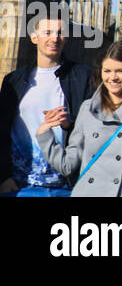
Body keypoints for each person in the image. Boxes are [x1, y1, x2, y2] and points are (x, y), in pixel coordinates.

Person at [36, 41, 122, 197]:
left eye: (121, 71)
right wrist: (44, 135)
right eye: (107, 71)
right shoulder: (88, 108)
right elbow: (68, 165)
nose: (112, 77)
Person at [0, 15, 95, 196]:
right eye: (48, 32)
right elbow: (1, 130)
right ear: (34, 37)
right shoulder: (14, 80)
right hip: (19, 185)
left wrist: (70, 123)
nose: (55, 38)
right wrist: (3, 177)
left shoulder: (83, 76)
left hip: (67, 186)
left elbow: (95, 128)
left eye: (60, 33)